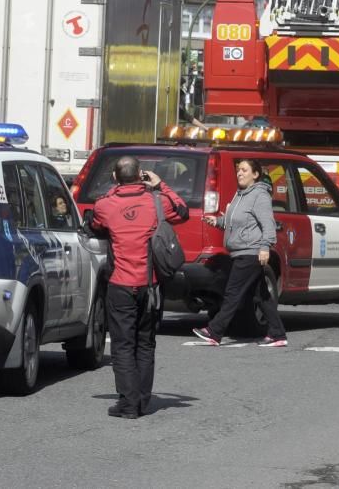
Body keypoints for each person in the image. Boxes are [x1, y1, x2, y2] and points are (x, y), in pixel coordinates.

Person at [90, 156, 188, 419]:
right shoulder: (157, 202)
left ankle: (128, 403)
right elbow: (182, 210)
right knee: (145, 343)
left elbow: (95, 224)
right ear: (140, 175)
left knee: (122, 345)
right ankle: (143, 401)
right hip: (151, 285)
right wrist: (159, 185)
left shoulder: (106, 204)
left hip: (121, 284)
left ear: (115, 178)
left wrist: (116, 187)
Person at [193, 158, 288, 348]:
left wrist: (265, 247)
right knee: (261, 296)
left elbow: (268, 223)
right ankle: (278, 335)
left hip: (250, 252)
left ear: (255, 174)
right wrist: (218, 222)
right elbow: (236, 220)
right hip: (242, 251)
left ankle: (214, 331)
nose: (240, 173)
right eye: (238, 170)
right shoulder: (240, 195)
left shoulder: (259, 195)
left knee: (232, 293)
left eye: (244, 170)